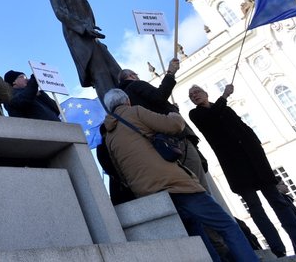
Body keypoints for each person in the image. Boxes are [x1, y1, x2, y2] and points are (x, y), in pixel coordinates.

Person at [101, 89, 257, 262]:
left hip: (149, 195)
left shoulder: (109, 135)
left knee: (196, 238)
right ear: (127, 100)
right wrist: (173, 113)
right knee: (226, 226)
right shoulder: (135, 111)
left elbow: (119, 171)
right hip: (176, 184)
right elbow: (174, 126)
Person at [189, 83, 296, 256]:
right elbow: (212, 118)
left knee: (278, 201)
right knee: (255, 207)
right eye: (191, 95)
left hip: (254, 160)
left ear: (206, 93)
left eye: (197, 92)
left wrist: (256, 145)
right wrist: (224, 96)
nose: (195, 95)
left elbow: (242, 127)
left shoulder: (224, 109)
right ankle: (277, 248)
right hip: (235, 166)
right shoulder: (196, 113)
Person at [119, 59, 207, 188]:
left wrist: (172, 109)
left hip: (162, 149)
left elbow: (154, 108)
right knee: (200, 182)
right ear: (131, 76)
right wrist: (170, 73)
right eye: (136, 75)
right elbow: (159, 96)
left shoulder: (127, 101)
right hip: (177, 139)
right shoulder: (136, 85)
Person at [47, 0, 121, 101]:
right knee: (102, 78)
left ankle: (130, 108)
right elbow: (60, 12)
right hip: (80, 39)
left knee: (117, 74)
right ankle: (117, 115)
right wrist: (83, 28)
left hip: (92, 39)